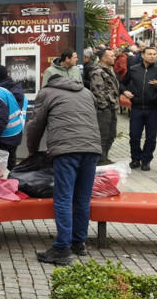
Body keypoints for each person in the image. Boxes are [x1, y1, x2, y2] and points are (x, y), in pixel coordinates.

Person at [25, 75, 101, 264]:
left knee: (63, 199)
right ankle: (78, 243)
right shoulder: (87, 92)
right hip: (92, 149)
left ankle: (62, 249)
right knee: (82, 199)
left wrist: (32, 150)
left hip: (67, 151)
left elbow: (35, 125)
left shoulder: (46, 92)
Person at [122, 46, 157, 171]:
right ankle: (135, 159)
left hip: (153, 109)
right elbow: (122, 83)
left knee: (151, 137)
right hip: (136, 108)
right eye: (149, 54)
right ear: (142, 55)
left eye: (154, 54)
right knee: (134, 136)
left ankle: (146, 160)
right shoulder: (133, 69)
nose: (152, 56)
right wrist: (124, 92)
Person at [0, 65, 27, 170]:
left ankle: (13, 179)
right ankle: (16, 179)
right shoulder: (16, 89)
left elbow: (0, 120)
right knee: (11, 163)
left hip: (3, 136)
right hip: (16, 132)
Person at [89, 49, 120, 165]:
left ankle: (105, 157)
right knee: (103, 135)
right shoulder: (97, 71)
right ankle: (100, 160)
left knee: (111, 134)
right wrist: (104, 107)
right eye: (112, 56)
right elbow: (98, 91)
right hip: (104, 110)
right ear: (104, 58)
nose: (114, 57)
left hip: (112, 108)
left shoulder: (109, 70)